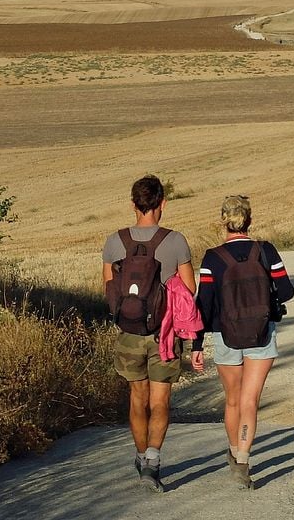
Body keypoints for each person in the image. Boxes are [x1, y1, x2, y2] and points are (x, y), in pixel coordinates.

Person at [191, 195, 294, 490]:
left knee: (233, 400)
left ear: (223, 221)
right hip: (261, 331)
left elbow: (205, 304)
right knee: (250, 401)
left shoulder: (212, 257)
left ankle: (234, 452)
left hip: (225, 335)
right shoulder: (266, 251)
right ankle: (243, 461)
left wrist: (197, 345)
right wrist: (264, 299)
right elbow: (286, 290)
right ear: (249, 219)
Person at [102, 175, 195, 492]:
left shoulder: (115, 241)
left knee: (136, 398)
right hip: (164, 335)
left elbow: (108, 287)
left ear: (133, 204)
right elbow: (190, 289)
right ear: (162, 203)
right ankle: (152, 465)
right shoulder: (176, 241)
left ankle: (141, 456)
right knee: (160, 401)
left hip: (128, 333)